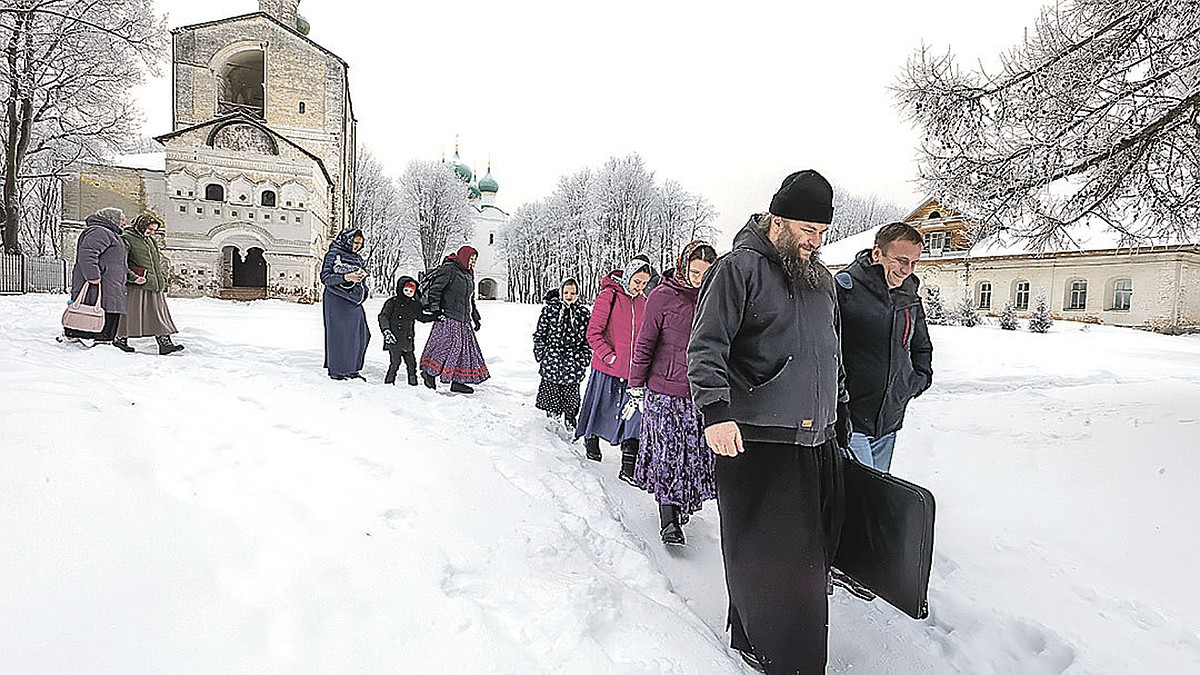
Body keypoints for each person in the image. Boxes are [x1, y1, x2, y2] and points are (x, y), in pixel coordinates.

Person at [687, 170, 850, 674]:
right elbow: (706, 345)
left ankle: (753, 635)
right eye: (806, 229)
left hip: (812, 439)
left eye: (822, 232)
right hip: (756, 438)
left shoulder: (821, 280)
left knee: (801, 556)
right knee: (774, 560)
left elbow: (831, 352)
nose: (814, 241)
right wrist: (716, 412)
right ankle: (791, 662)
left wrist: (838, 409)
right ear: (777, 220)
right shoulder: (740, 270)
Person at [628, 240, 718, 546]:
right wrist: (635, 384)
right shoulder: (662, 296)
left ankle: (681, 506)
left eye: (706, 274)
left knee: (692, 457)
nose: (699, 279)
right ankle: (668, 520)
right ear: (683, 266)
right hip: (664, 392)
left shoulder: (716, 297)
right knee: (668, 455)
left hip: (700, 393)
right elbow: (644, 342)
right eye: (694, 272)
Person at [834, 222, 933, 472]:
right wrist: (838, 399)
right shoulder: (845, 289)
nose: (907, 270)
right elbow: (826, 351)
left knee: (878, 497)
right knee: (860, 498)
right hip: (851, 420)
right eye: (901, 260)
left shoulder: (909, 296)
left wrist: (914, 382)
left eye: (913, 263)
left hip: (889, 420)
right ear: (877, 253)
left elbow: (921, 346)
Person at [574, 257, 651, 477]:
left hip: (633, 372)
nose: (639, 287)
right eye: (637, 281)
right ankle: (591, 438)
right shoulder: (610, 295)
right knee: (601, 407)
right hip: (608, 367)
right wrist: (610, 356)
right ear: (628, 276)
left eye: (644, 283)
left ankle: (629, 462)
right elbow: (593, 333)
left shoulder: (643, 302)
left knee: (633, 414)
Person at [419, 245, 489, 394]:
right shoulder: (449, 269)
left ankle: (458, 381)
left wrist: (475, 316)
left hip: (463, 319)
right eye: (471, 258)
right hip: (447, 317)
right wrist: (436, 311)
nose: (472, 262)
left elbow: (469, 298)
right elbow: (436, 290)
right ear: (464, 256)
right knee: (444, 348)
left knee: (464, 351)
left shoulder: (468, 274)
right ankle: (429, 373)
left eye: (474, 260)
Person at [114, 213, 184, 355]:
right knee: (130, 314)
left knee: (159, 314)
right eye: (149, 229)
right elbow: (120, 263)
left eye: (154, 230)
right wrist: (133, 277)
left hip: (153, 283)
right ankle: (120, 340)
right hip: (137, 284)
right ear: (141, 225)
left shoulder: (150, 240)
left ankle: (165, 343)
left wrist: (161, 278)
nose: (152, 232)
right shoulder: (127, 238)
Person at [532, 277, 592, 430]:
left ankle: (570, 420)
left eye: (573, 293)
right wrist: (541, 353)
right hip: (552, 360)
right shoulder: (550, 311)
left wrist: (584, 358)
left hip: (573, 362)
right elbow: (540, 334)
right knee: (552, 394)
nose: (569, 296)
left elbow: (588, 339)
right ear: (560, 293)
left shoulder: (583, 314)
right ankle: (552, 421)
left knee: (571, 397)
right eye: (566, 292)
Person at [64, 208, 129, 346]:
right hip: (100, 282)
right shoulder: (100, 232)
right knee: (95, 307)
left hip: (110, 283)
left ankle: (104, 339)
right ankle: (82, 335)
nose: (124, 222)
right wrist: (92, 275)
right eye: (122, 219)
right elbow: (88, 254)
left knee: (108, 308)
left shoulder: (110, 234)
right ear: (112, 218)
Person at [320, 227, 370, 380]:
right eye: (354, 242)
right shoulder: (334, 254)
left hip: (354, 301)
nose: (357, 246)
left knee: (361, 335)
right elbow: (325, 277)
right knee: (339, 335)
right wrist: (346, 277)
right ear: (347, 239)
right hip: (337, 301)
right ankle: (337, 370)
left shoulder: (357, 258)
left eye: (360, 244)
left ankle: (352, 369)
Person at [378, 276, 434, 385]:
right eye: (406, 290)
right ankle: (389, 383)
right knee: (395, 363)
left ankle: (413, 383)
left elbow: (421, 317)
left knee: (411, 363)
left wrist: (435, 317)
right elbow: (383, 317)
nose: (408, 292)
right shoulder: (392, 302)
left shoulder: (414, 305)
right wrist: (386, 331)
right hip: (394, 339)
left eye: (411, 291)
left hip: (407, 339)